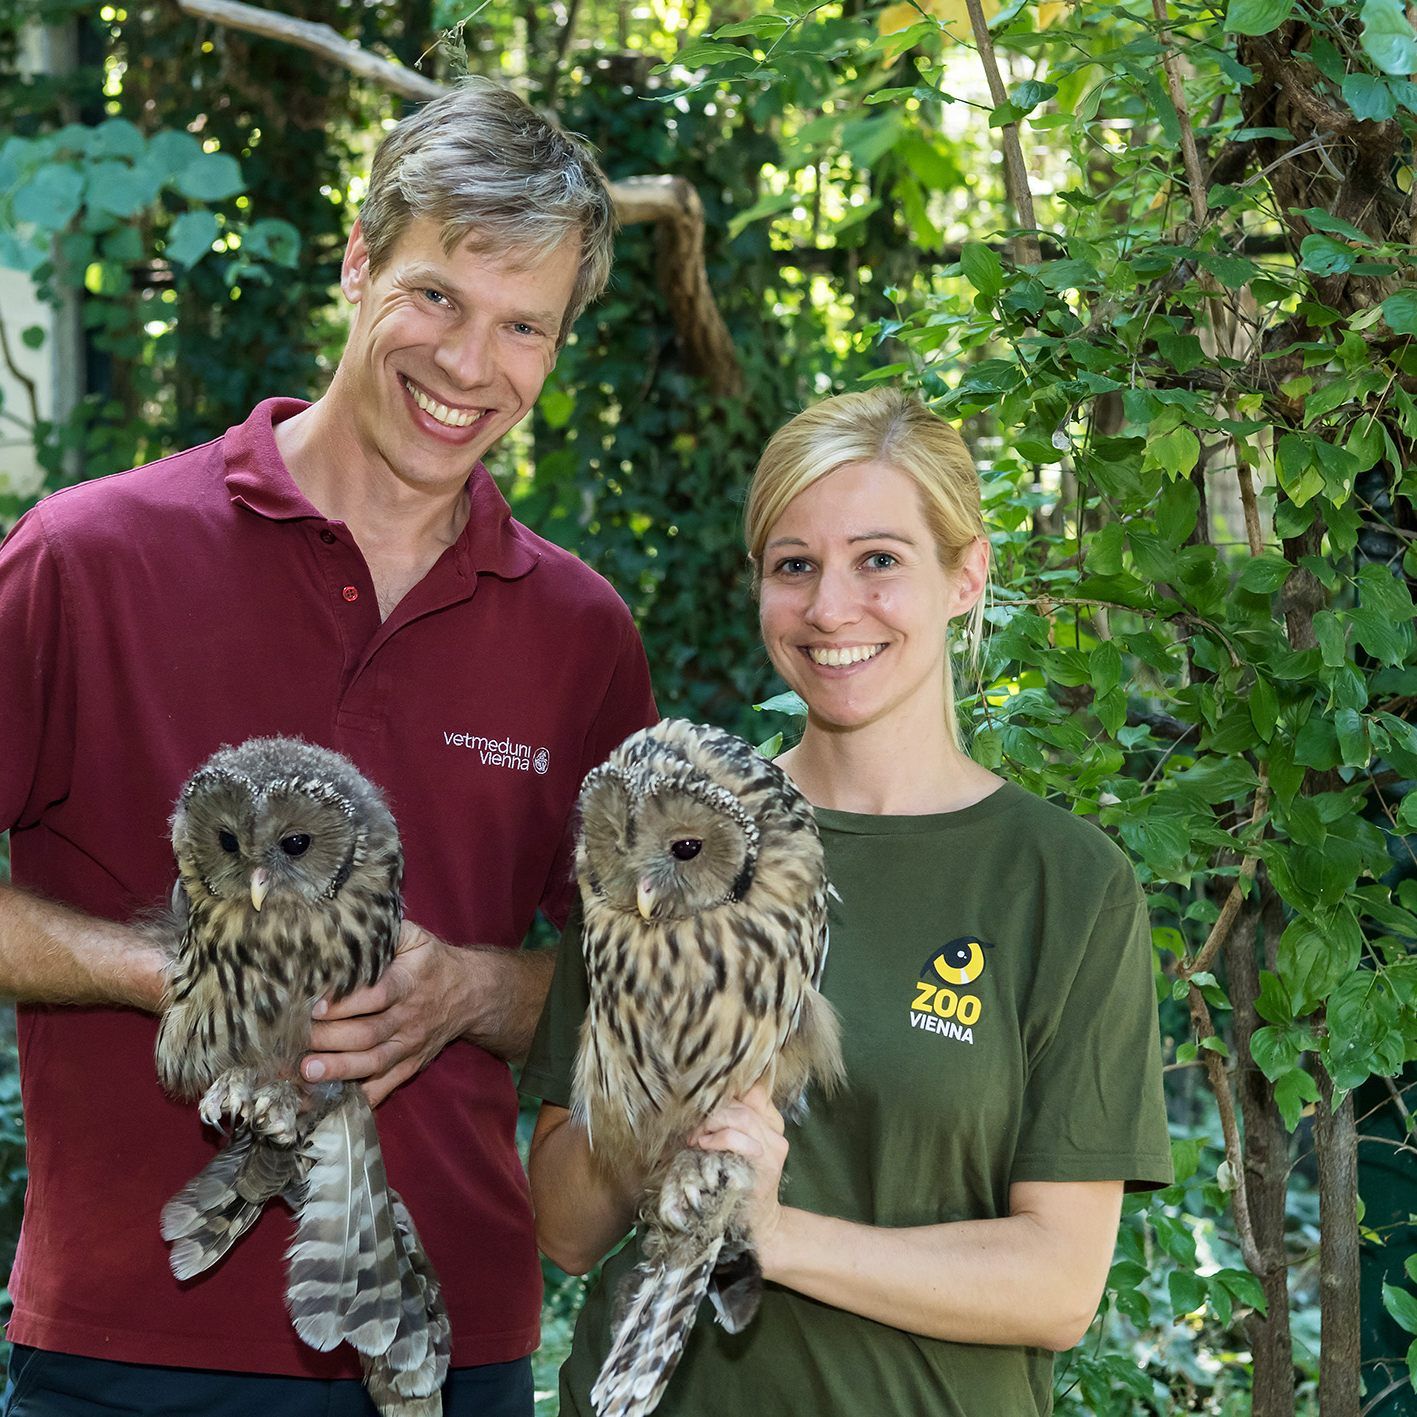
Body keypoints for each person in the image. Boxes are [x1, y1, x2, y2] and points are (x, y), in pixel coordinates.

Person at [0, 78, 656, 1416]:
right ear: (358, 264)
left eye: (522, 326)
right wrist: (169, 973)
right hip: (135, 1349)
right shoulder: (90, 557)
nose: (469, 366)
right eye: (436, 298)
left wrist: (469, 989)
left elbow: (633, 982)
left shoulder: (579, 634)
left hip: (450, 1352)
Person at [521, 387, 1173, 1415]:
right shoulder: (670, 830)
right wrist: (666, 1072)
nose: (829, 608)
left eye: (878, 559)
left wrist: (774, 1235)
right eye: (794, 566)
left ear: (967, 573)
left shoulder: (1060, 881)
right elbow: (563, 1227)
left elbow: (1057, 1286)